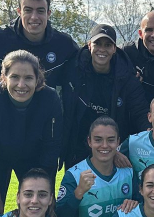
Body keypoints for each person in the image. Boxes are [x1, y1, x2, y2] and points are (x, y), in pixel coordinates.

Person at [0, 51, 63, 217]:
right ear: (4, 77)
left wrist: (45, 190)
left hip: (33, 157)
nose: (21, 85)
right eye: (14, 77)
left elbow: (51, 147)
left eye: (28, 78)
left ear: (37, 79)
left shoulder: (50, 98)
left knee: (40, 214)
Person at [61, 24, 148, 166]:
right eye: (97, 44)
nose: (102, 49)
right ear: (89, 45)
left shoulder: (127, 78)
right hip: (77, 149)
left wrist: (152, 131)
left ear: (114, 49)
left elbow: (140, 111)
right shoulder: (73, 70)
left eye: (107, 45)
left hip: (112, 151)